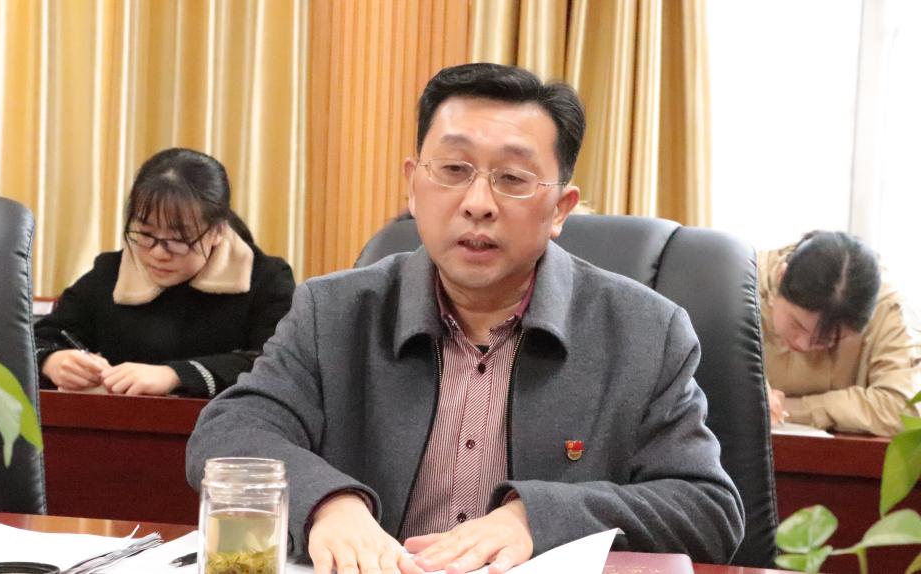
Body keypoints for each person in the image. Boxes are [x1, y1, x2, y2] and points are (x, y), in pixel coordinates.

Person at [186, 63, 744, 573]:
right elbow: (231, 430)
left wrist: (535, 518)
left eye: (513, 178)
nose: (478, 202)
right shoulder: (331, 313)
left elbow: (707, 510)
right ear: (413, 185)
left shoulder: (645, 331)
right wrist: (328, 503)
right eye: (453, 169)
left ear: (560, 209)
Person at [34, 148, 295, 398]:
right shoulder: (110, 274)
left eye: (178, 239)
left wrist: (175, 375)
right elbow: (38, 339)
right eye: (146, 234)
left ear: (217, 231)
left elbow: (278, 364)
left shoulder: (265, 280)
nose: (159, 253)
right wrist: (53, 360)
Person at [759, 231, 921, 436]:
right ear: (782, 276)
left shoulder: (886, 309)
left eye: (829, 339)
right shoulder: (739, 284)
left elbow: (905, 408)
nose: (803, 344)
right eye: (797, 324)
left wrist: (789, 409)